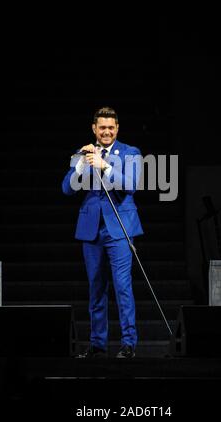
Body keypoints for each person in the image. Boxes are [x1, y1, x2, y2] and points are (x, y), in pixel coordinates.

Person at [62, 107, 144, 358]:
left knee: (122, 287)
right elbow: (67, 189)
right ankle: (98, 344)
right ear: (94, 129)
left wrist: (105, 165)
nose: (106, 131)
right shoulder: (83, 154)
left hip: (119, 228)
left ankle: (128, 343)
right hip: (91, 229)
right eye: (102, 127)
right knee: (96, 288)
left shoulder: (131, 152)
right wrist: (80, 166)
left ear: (117, 128)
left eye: (111, 127)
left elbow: (130, 185)